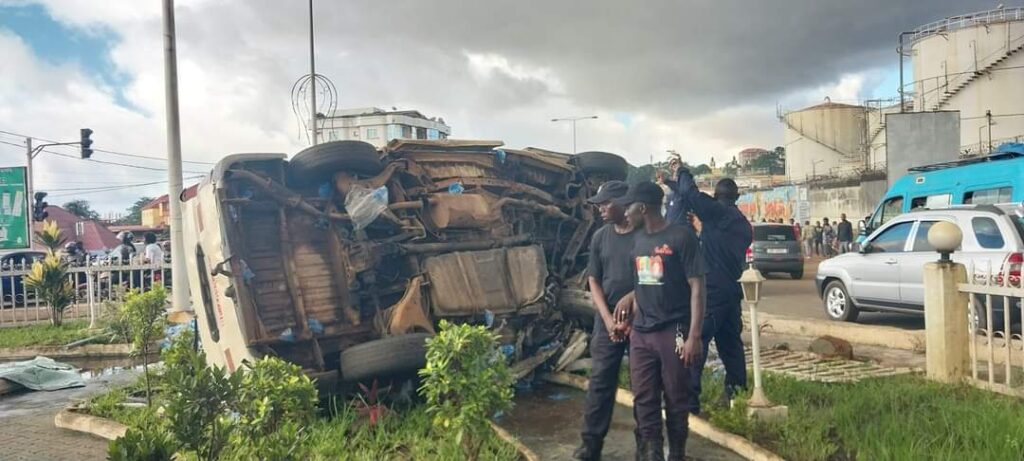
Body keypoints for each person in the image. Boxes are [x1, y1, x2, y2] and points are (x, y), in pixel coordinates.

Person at [614, 181, 705, 461]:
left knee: (677, 398)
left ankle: (676, 453)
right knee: (644, 398)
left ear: (642, 208)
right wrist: (631, 301)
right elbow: (646, 282)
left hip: (673, 330)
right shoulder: (637, 242)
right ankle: (652, 452)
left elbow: (698, 287)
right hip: (641, 333)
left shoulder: (681, 237)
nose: (625, 212)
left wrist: (694, 336)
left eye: (629, 207)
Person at [665, 167, 752, 413]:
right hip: (732, 292)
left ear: (717, 196)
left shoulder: (717, 214)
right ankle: (736, 393)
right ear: (736, 197)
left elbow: (691, 194)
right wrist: (674, 183)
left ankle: (690, 402)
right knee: (730, 345)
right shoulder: (742, 224)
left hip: (712, 291)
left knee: (697, 341)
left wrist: (681, 170)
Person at [574, 181, 636, 461]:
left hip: (642, 320)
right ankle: (590, 446)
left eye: (606, 203)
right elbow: (593, 280)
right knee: (600, 383)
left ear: (625, 202)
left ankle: (647, 446)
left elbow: (656, 279)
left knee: (644, 386)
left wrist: (633, 302)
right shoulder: (600, 237)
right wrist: (609, 320)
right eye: (598, 204)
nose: (600, 208)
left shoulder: (646, 235)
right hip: (608, 321)